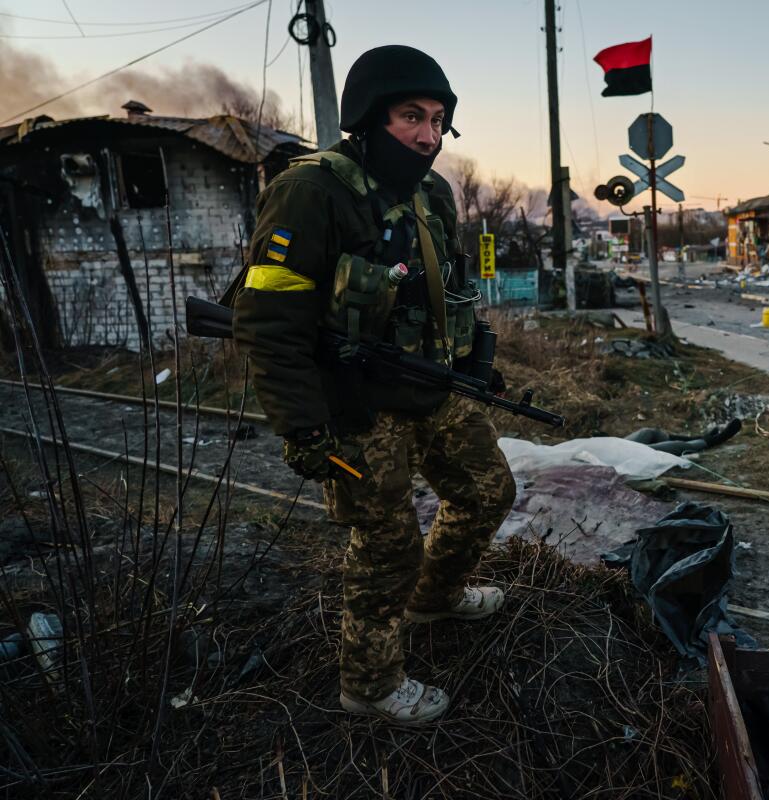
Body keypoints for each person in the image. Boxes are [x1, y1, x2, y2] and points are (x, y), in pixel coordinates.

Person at [232, 45, 516, 725]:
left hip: (431, 384)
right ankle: (370, 685)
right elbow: (269, 322)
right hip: (357, 404)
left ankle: (435, 597)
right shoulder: (312, 191)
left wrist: (475, 355)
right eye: (410, 116)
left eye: (438, 120)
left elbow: (456, 283)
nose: (427, 135)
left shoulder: (434, 193)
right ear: (367, 117)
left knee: (487, 491)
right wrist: (304, 426)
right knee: (388, 546)